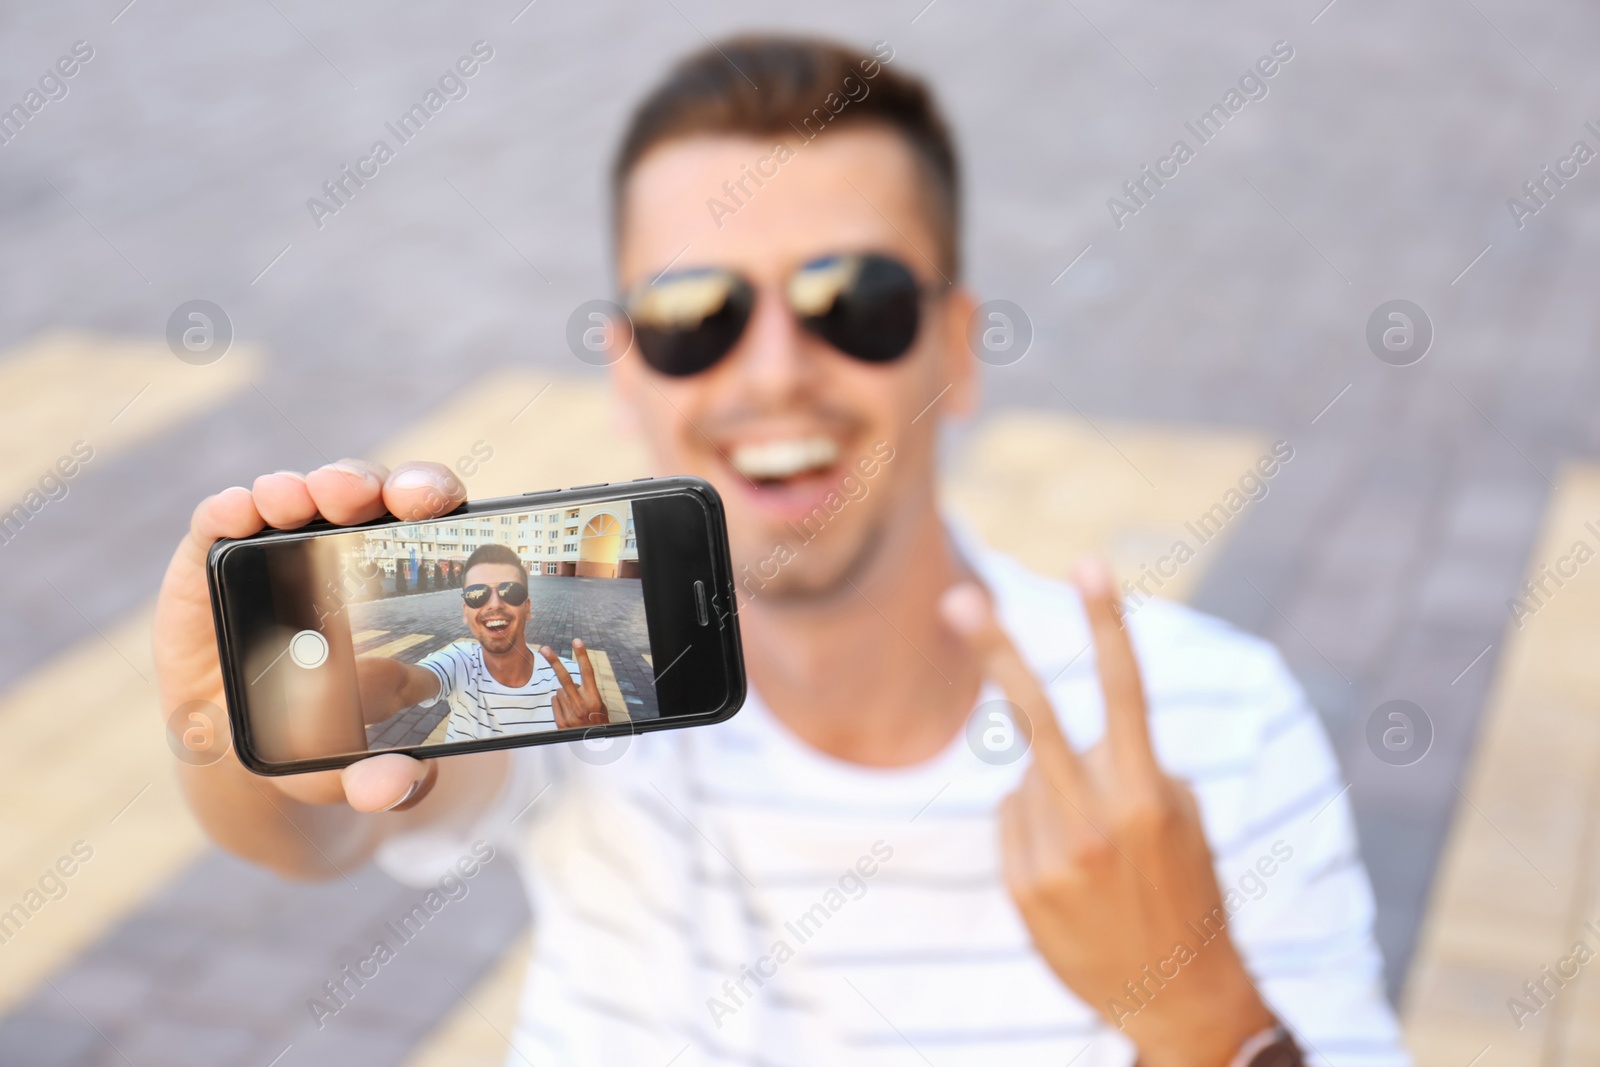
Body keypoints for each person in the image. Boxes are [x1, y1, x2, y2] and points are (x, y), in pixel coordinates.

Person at [152, 35, 1407, 1067]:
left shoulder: (1211, 724)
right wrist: (245, 747)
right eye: (694, 317)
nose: (774, 371)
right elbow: (320, 836)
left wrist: (1200, 1019)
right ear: (629, 373)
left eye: (850, 301)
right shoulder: (583, 679)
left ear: (955, 345)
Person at [354, 543, 611, 746]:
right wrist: (336, 691)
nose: (495, 604)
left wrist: (595, 734)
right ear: (466, 612)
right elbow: (400, 685)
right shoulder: (458, 662)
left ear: (528, 608)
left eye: (511, 591)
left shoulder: (572, 683)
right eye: (478, 594)